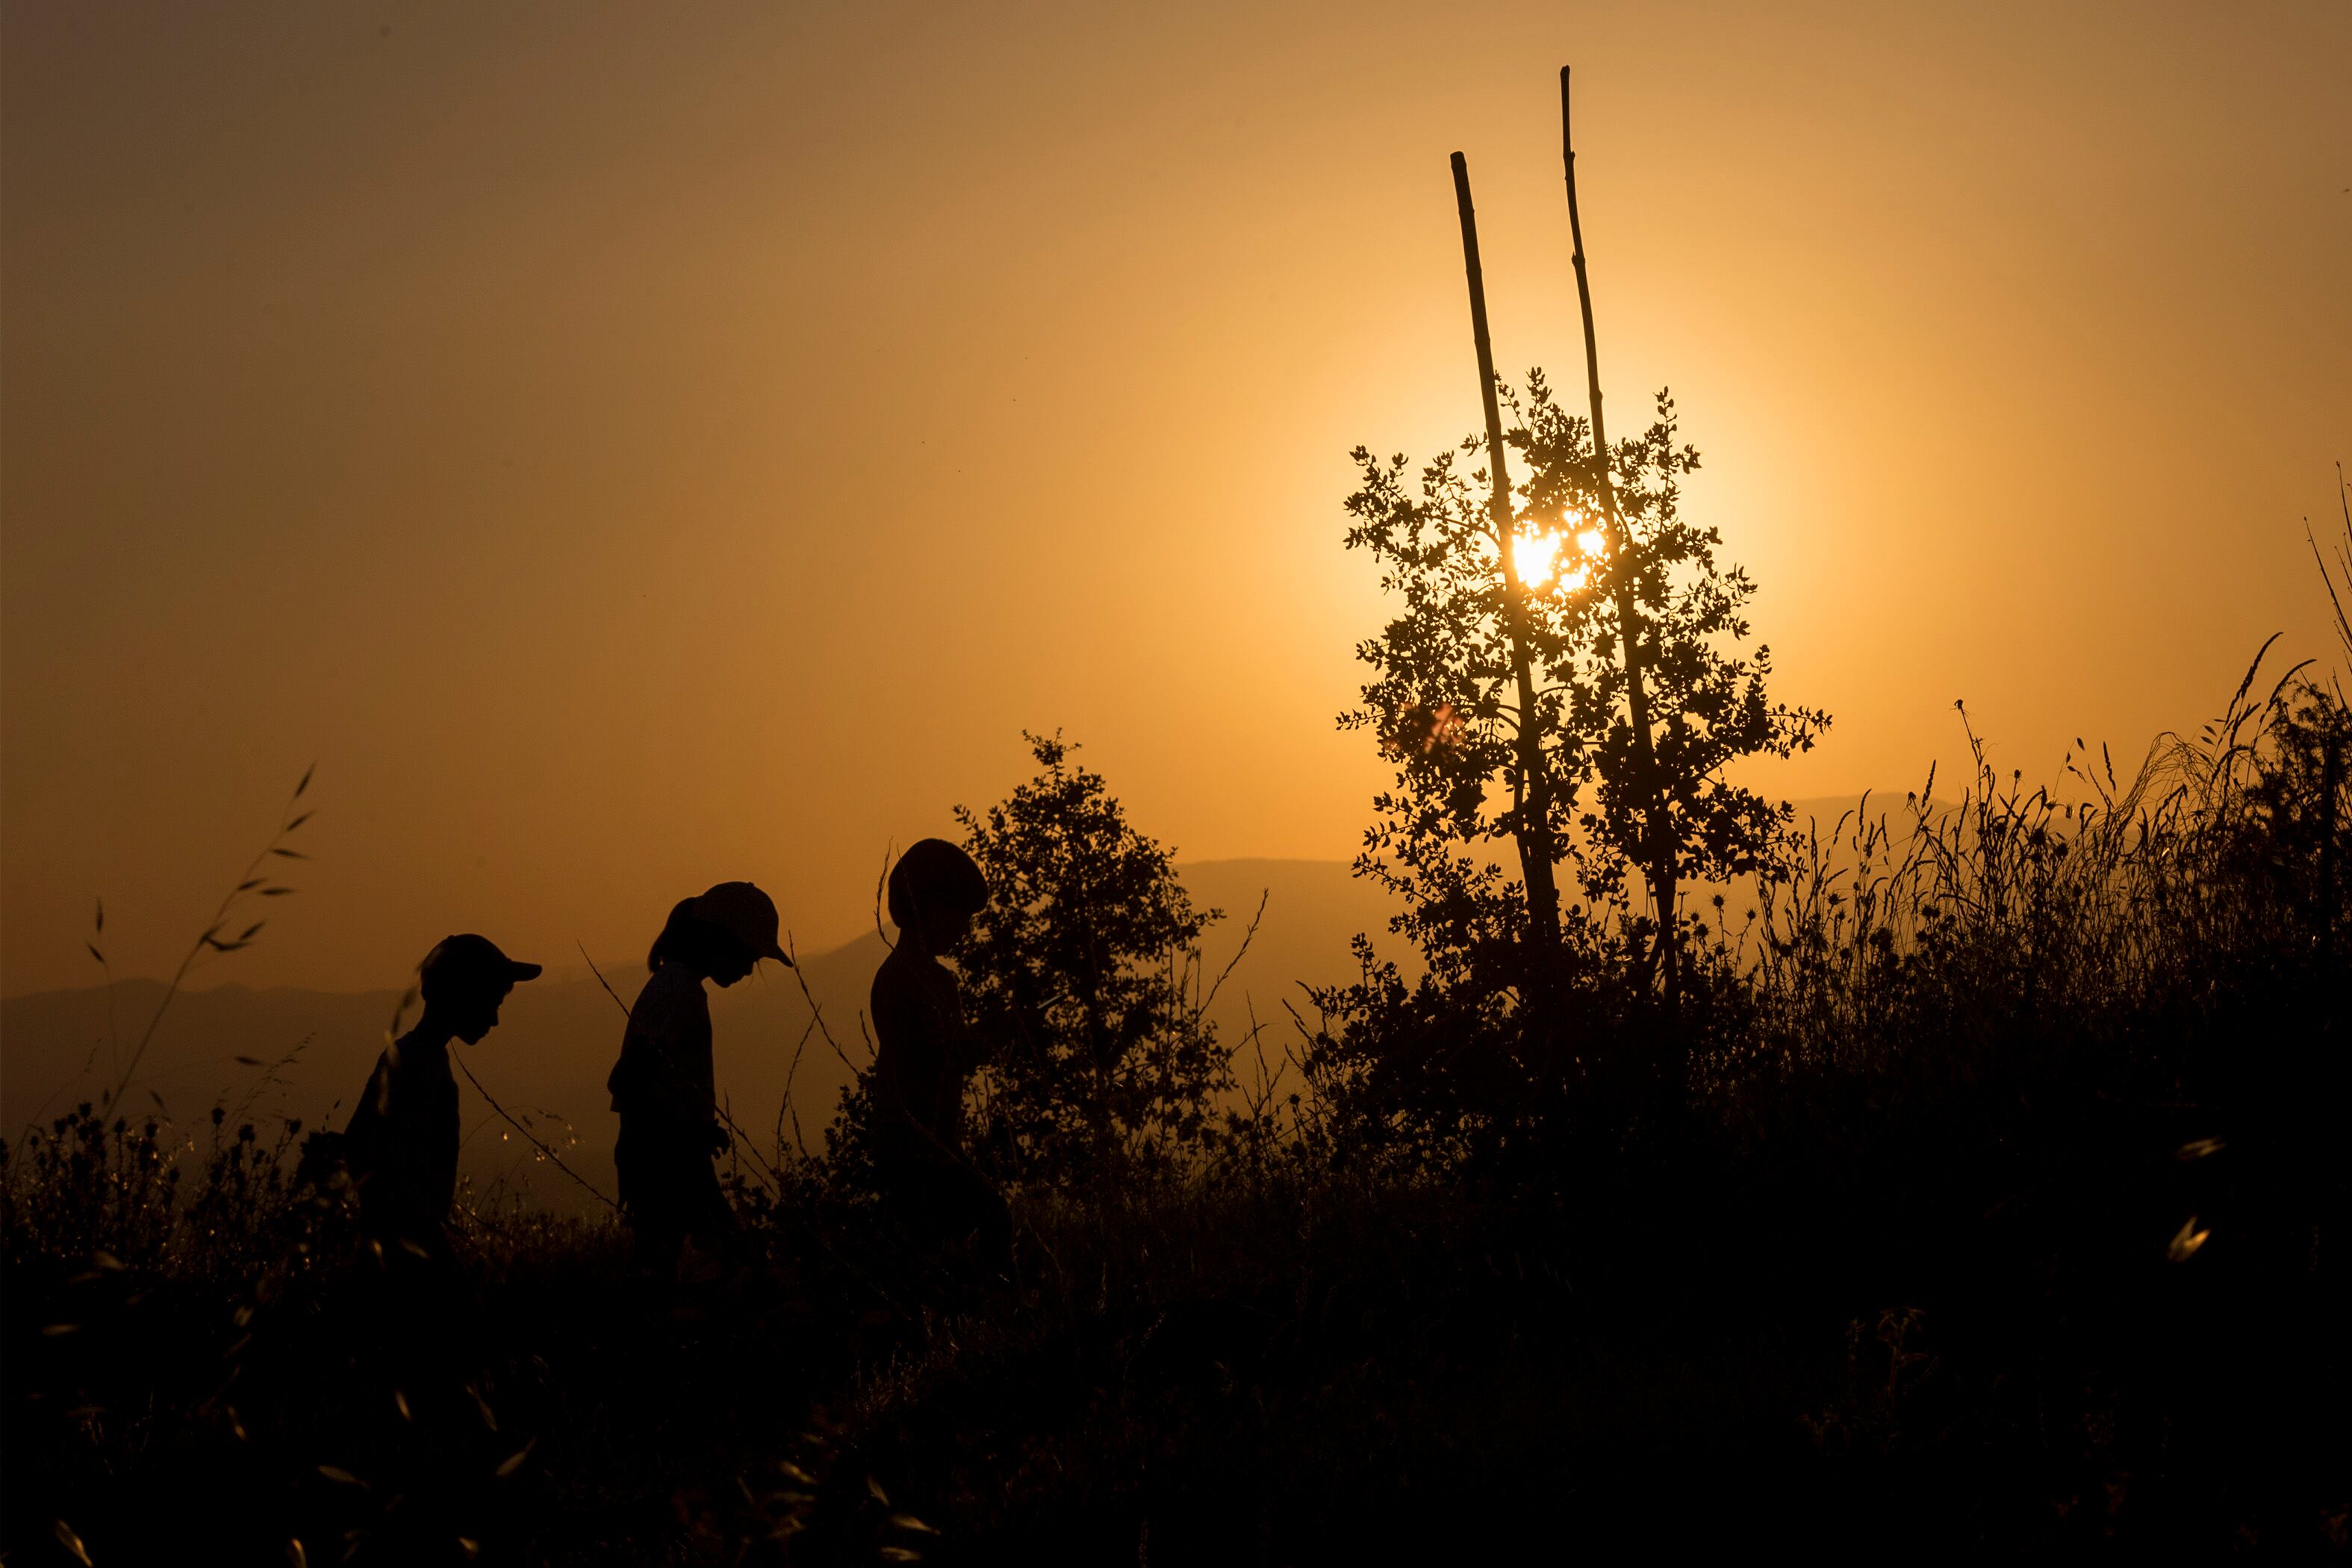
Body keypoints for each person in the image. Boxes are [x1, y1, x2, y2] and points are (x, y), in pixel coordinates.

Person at [607, 880, 791, 1277]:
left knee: (660, 1267)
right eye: (747, 956)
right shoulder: (678, 991)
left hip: (667, 1156)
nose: (747, 970)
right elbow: (631, 1077)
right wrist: (683, 1134)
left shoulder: (677, 986)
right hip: (669, 1162)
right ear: (718, 939)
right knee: (739, 1266)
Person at [340, 933, 542, 1253]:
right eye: (491, 1002)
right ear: (464, 997)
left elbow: (360, 1142)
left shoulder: (417, 1057)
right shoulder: (415, 1063)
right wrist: (407, 1225)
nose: (495, 1019)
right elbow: (358, 1142)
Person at [868, 839, 1011, 1268]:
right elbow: (936, 1060)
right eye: (957, 916)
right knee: (987, 1222)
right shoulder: (912, 981)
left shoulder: (905, 977)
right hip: (916, 1148)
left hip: (924, 1145)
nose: (962, 930)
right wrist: (990, 1037)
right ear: (927, 908)